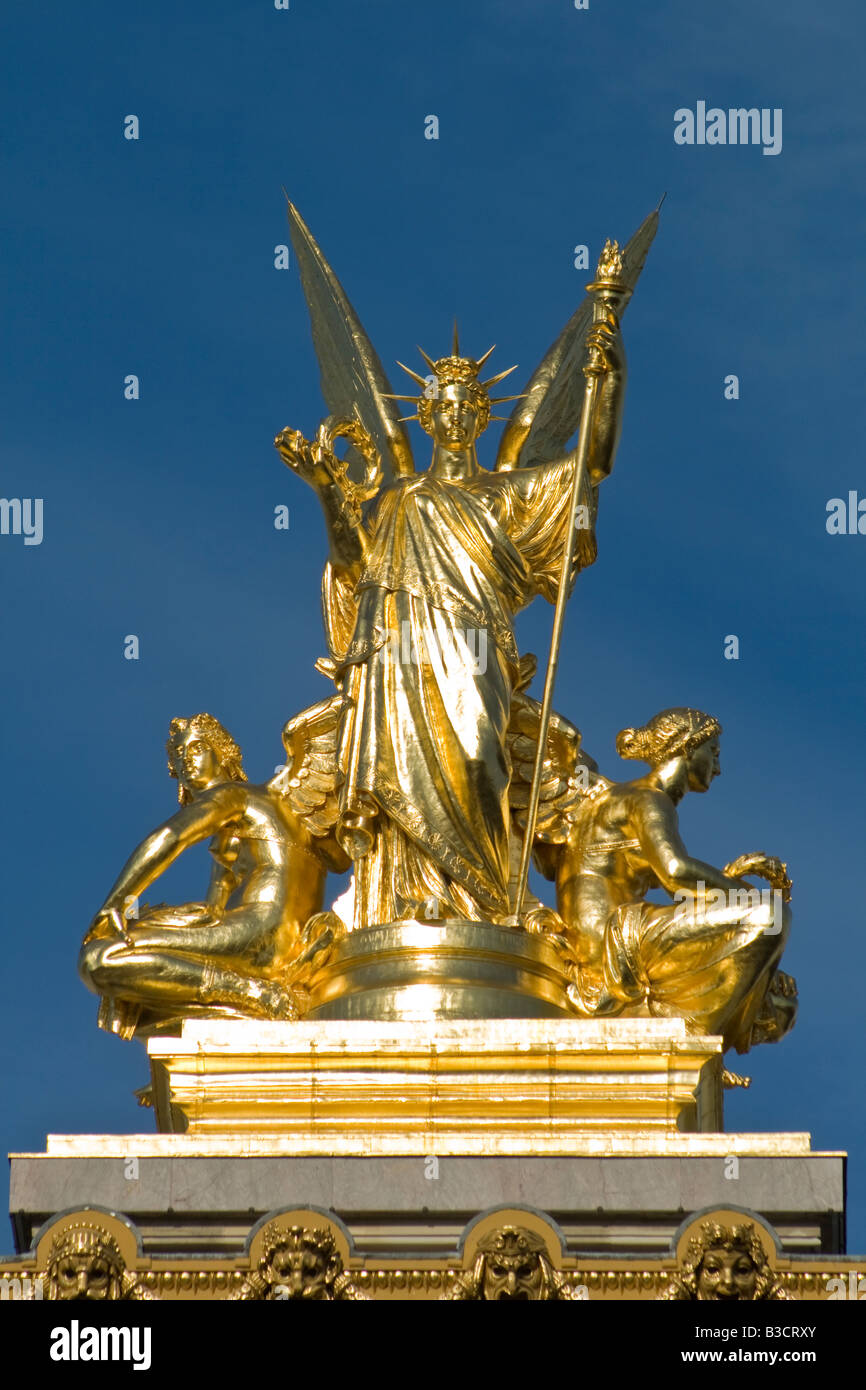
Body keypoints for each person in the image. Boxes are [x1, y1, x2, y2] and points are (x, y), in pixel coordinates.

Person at [276, 326, 625, 929]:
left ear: (483, 415)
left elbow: (589, 464)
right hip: (400, 657)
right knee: (402, 769)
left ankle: (489, 903)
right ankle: (405, 903)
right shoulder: (400, 499)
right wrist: (329, 490)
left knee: (476, 762)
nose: (456, 414)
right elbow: (354, 566)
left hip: (478, 650)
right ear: (428, 415)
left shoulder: (508, 493)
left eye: (468, 404)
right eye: (443, 403)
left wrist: (610, 374)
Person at [533, 707, 797, 1053]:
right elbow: (674, 874)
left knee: (776, 991)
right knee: (772, 917)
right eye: (713, 753)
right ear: (687, 748)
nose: (717, 767)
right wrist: (744, 895)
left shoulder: (620, 798)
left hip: (605, 936)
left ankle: (700, 1027)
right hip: (613, 940)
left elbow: (662, 876)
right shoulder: (648, 800)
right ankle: (697, 1036)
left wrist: (730, 881)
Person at [79, 705, 348, 1034]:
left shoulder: (233, 796)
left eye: (197, 748)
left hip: (263, 931)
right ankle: (239, 1000)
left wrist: (116, 902)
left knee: (99, 959)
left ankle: (253, 994)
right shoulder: (239, 835)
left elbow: (171, 837)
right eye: (179, 756)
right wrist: (165, 918)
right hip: (274, 938)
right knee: (135, 937)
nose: (186, 760)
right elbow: (213, 911)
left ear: (223, 755)